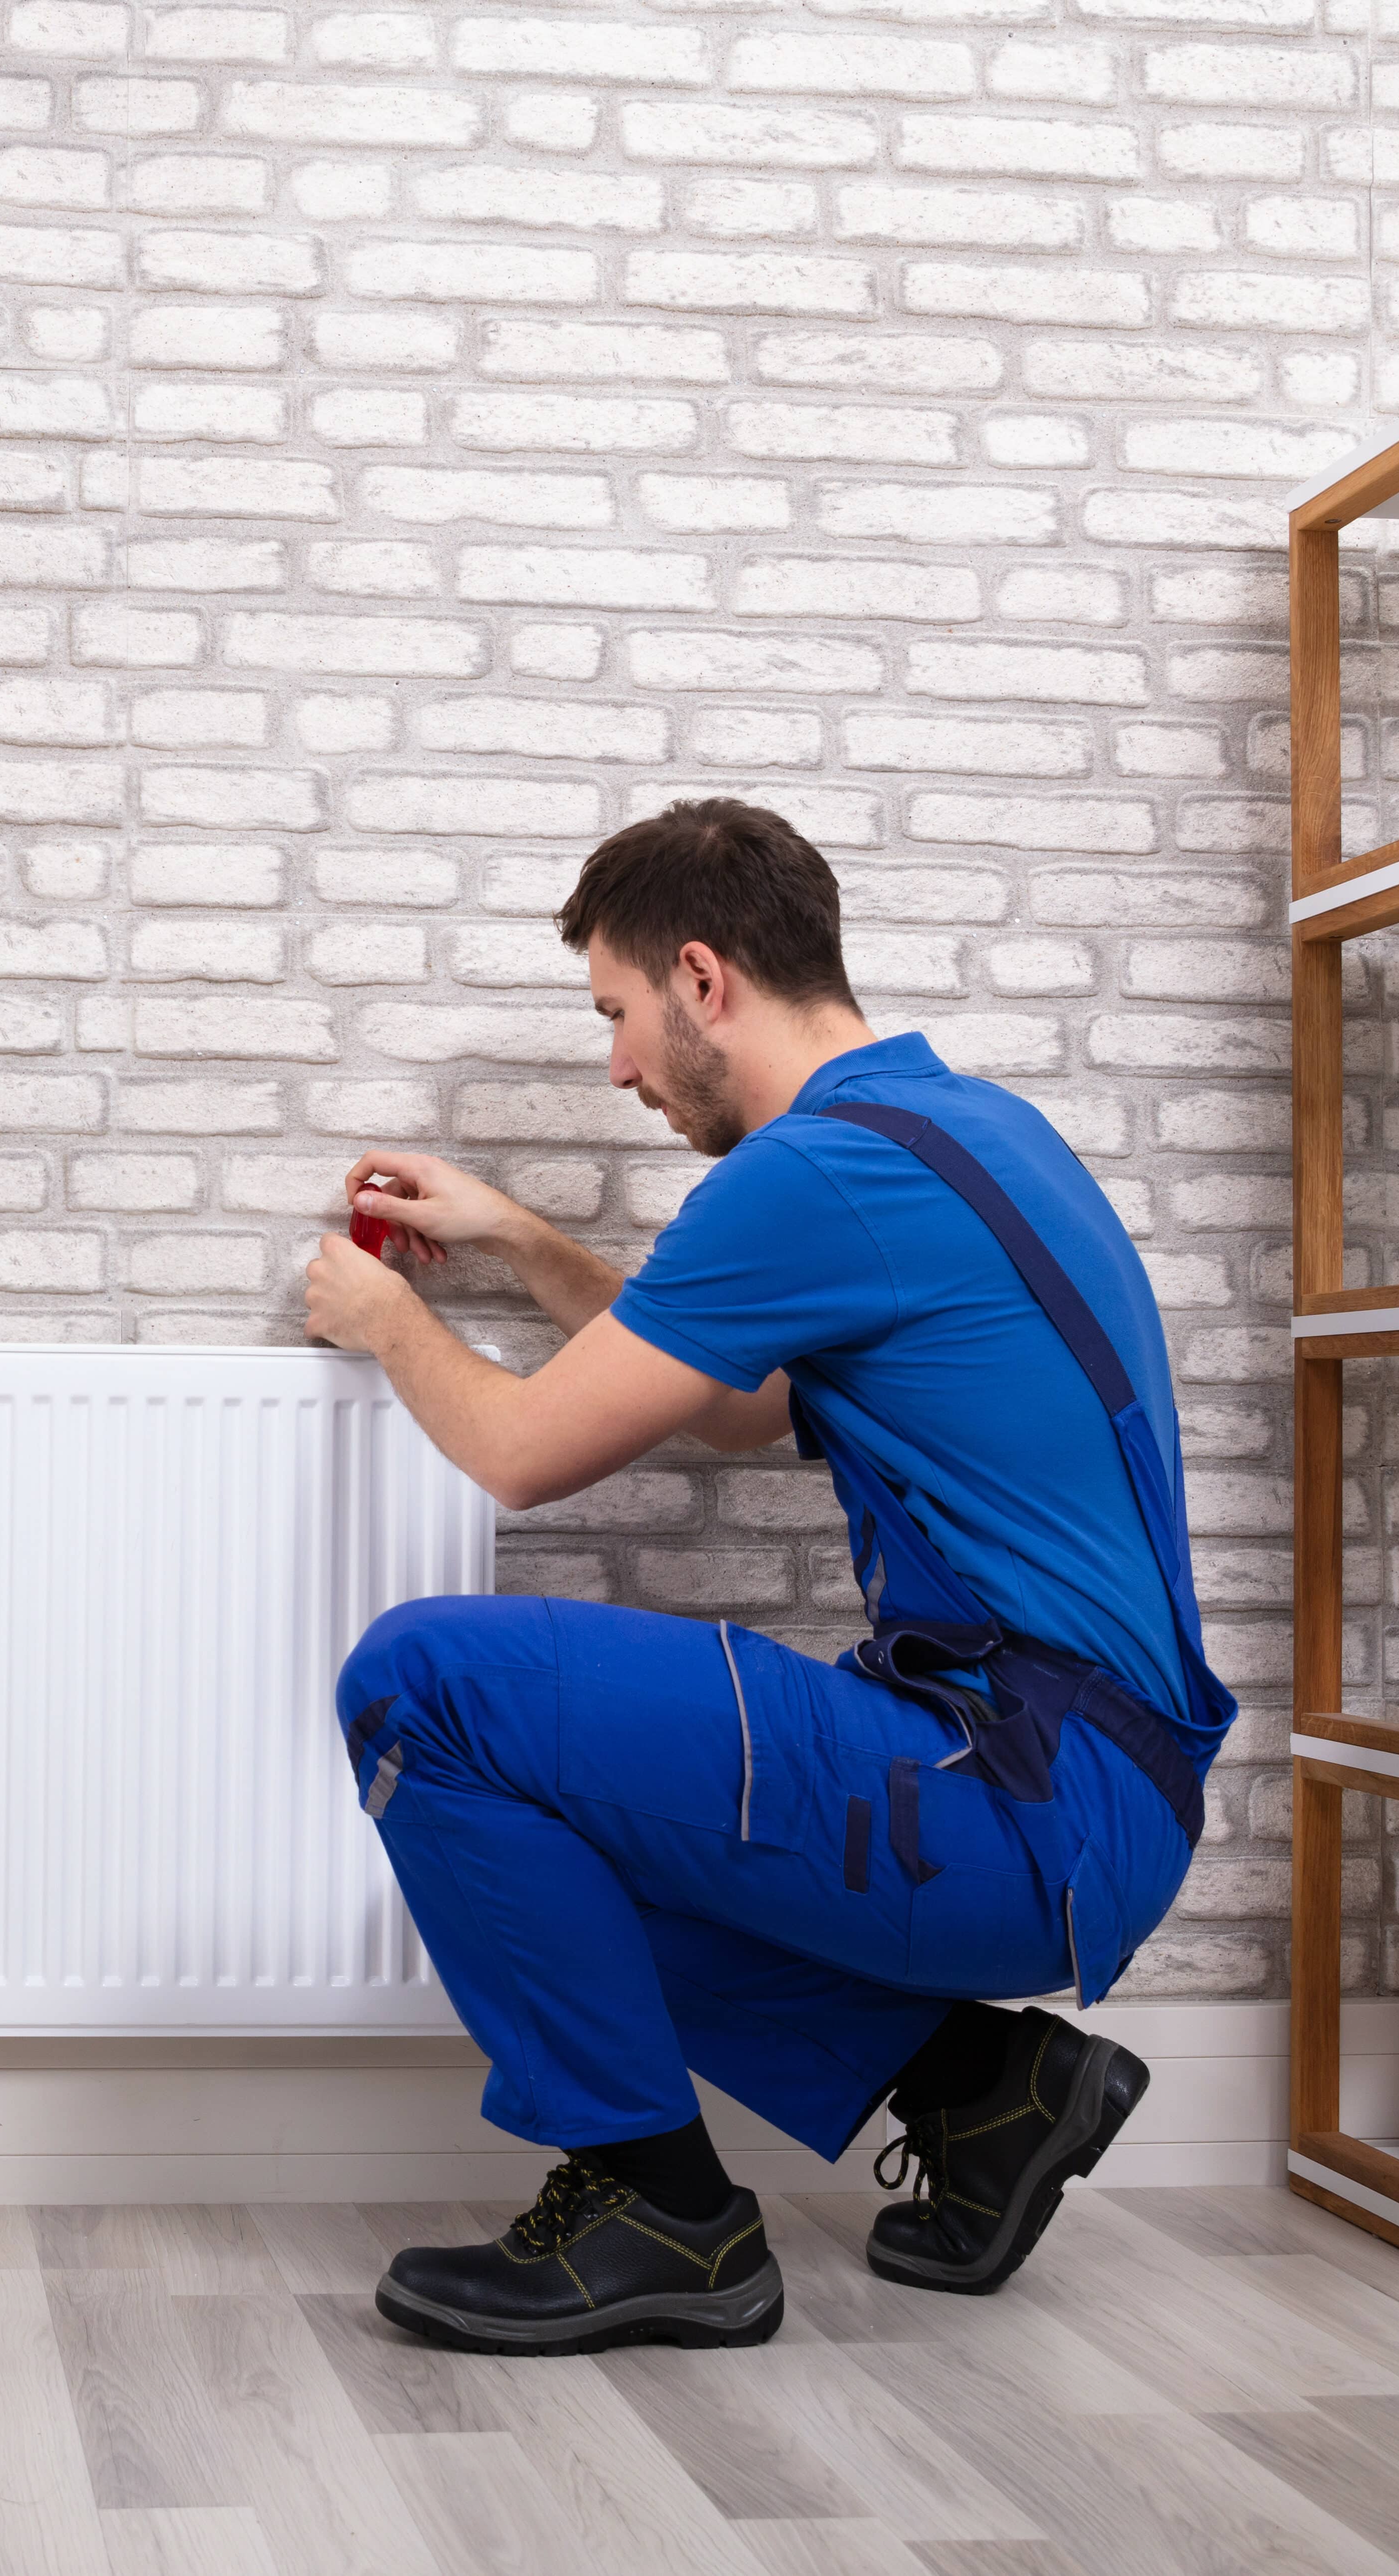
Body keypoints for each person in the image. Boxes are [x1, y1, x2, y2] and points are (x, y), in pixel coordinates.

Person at [303, 798, 1235, 2357]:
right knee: (581, 1812)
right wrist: (529, 1243)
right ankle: (980, 2092)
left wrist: (389, 1324)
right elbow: (744, 1404)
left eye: (614, 1015)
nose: (616, 1065)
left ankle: (657, 2212)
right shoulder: (956, 1131)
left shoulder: (813, 1176)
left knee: (424, 1689)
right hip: (1085, 1794)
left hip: (1022, 1796)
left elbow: (528, 1452)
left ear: (700, 977)